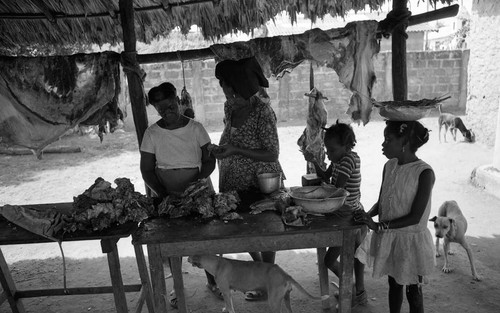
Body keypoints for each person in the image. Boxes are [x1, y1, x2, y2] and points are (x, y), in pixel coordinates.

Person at [212, 57, 285, 301]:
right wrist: (221, 150)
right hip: (234, 183)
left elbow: (272, 152)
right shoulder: (230, 107)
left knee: (266, 231)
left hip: (260, 182)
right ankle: (265, 276)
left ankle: (269, 281)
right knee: (244, 231)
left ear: (233, 85)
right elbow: (232, 139)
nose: (221, 87)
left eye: (222, 83)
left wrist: (235, 150)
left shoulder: (262, 112)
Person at [139, 82, 218, 307]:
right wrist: (164, 194)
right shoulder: (152, 133)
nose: (167, 111)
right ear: (155, 109)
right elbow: (146, 169)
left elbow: (209, 160)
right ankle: (177, 288)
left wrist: (196, 186)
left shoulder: (196, 128)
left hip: (200, 192)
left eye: (170, 105)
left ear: (178, 101)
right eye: (160, 108)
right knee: (173, 243)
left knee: (205, 239)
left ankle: (213, 282)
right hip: (169, 196)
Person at [353, 120, 435, 313]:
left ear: (404, 143)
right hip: (392, 238)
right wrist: (367, 214)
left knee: (414, 291)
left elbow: (415, 217)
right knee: (394, 285)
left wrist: (377, 226)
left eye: (388, 139)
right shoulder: (389, 166)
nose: (383, 144)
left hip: (411, 241)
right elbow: (382, 201)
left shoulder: (424, 173)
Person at [302, 121, 368, 308]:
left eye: (332, 150)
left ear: (346, 147)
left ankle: (352, 288)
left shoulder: (348, 160)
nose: (329, 154)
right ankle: (355, 289)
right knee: (353, 256)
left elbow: (338, 188)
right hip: (344, 212)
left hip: (348, 216)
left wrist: (313, 198)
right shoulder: (338, 159)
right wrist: (314, 160)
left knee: (332, 260)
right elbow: (325, 176)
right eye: (327, 150)